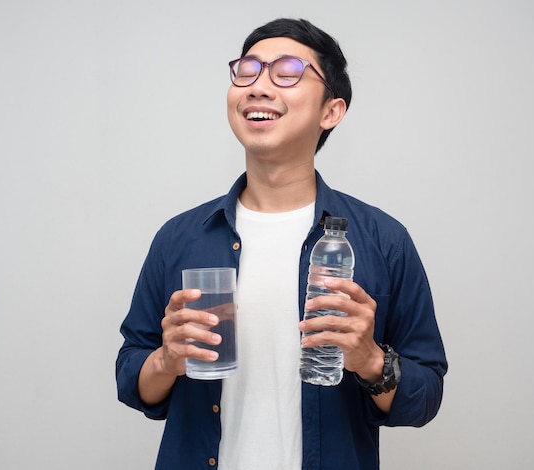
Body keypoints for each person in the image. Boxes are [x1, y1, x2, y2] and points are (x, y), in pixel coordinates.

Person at [116, 18, 447, 470]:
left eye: (287, 72)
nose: (257, 87)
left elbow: (425, 396)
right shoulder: (182, 236)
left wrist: (370, 359)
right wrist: (166, 359)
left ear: (330, 111)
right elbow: (131, 377)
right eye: (247, 70)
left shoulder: (382, 240)